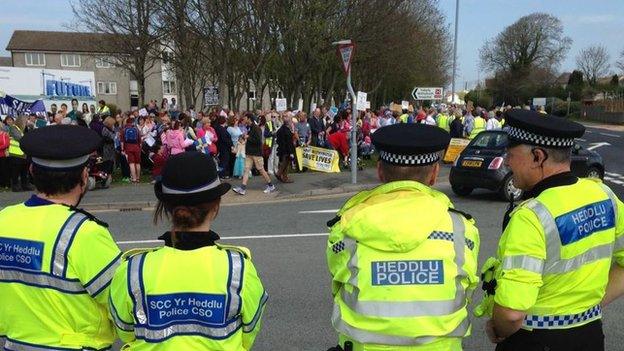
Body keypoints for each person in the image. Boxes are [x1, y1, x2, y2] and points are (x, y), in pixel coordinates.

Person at [326, 123, 479, 351]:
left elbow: (338, 287)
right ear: (434, 174)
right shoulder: (461, 229)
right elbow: (465, 290)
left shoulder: (345, 228)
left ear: (380, 171)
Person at [485, 110, 624, 351]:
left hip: (534, 342)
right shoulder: (605, 195)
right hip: (590, 335)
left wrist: (497, 328)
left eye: (511, 154)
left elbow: (511, 314)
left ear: (538, 156)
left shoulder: (532, 216)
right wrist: (583, 309)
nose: (507, 161)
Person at [109, 152, 268, 349]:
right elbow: (249, 333)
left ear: (166, 207)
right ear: (216, 206)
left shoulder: (132, 270)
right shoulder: (239, 269)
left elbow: (125, 332)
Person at [0, 125, 121, 350]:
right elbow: (123, 305)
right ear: (84, 176)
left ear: (32, 172)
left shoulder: (3, 220)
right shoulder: (85, 233)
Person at [233, 114, 276, 195]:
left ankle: (271, 185)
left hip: (256, 153)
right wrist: (245, 137)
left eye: (245, 118)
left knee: (261, 170)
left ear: (249, 119)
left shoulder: (256, 128)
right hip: (249, 153)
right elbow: (250, 138)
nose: (244, 120)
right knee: (246, 170)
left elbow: (258, 141)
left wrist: (247, 137)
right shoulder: (250, 128)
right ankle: (242, 188)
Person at [7, 115, 31, 192]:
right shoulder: (13, 128)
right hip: (15, 154)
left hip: (23, 154)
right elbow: (18, 138)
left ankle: (25, 185)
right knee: (15, 171)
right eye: (25, 121)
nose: (26, 123)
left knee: (24, 171)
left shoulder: (23, 129)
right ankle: (15, 186)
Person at [121, 117, 142, 183]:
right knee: (138, 163)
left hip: (128, 147)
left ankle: (134, 179)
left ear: (126, 122)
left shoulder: (124, 130)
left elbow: (122, 141)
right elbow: (140, 140)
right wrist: (140, 148)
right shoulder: (136, 129)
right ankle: (138, 178)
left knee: (131, 163)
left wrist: (122, 149)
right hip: (137, 147)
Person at [275, 115, 295, 183]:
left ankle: (283, 176)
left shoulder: (281, 129)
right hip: (286, 150)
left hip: (282, 149)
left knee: (285, 163)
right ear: (288, 123)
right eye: (290, 122)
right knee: (285, 164)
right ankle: (280, 174)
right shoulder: (286, 130)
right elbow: (288, 142)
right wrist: (291, 152)